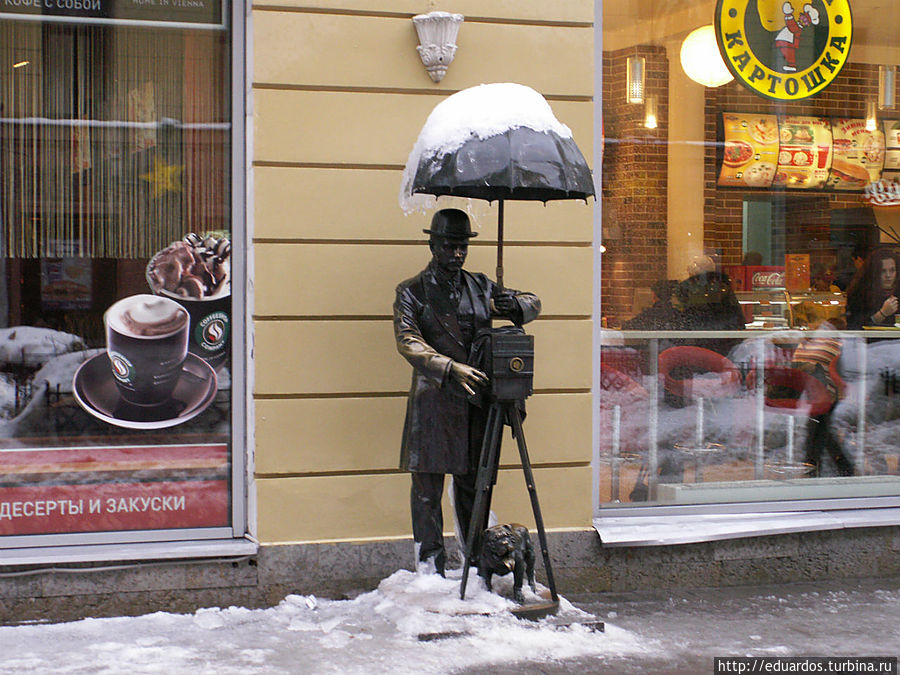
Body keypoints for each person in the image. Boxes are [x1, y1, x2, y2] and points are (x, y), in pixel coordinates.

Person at [393, 209, 541, 576]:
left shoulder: (481, 285)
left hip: (475, 401)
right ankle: (430, 564)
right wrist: (449, 368)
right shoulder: (411, 291)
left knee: (475, 484)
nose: (457, 254)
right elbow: (408, 341)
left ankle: (476, 560)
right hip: (435, 398)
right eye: (449, 245)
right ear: (433, 244)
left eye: (462, 246)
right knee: (427, 488)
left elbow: (534, 303)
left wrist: (516, 305)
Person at [845, 247, 900, 329]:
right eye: (883, 271)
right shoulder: (860, 294)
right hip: (872, 340)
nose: (888, 275)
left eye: (892, 270)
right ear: (874, 272)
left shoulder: (897, 292)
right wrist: (882, 313)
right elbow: (855, 326)